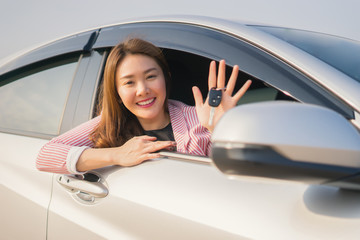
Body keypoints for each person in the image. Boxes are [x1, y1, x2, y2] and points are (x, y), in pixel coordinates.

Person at [36, 38, 251, 174]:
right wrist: (118, 154)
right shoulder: (108, 124)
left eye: (150, 77)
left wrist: (219, 130)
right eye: (129, 82)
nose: (142, 90)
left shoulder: (199, 117)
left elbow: (229, 177)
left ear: (165, 78)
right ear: (117, 93)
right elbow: (45, 156)